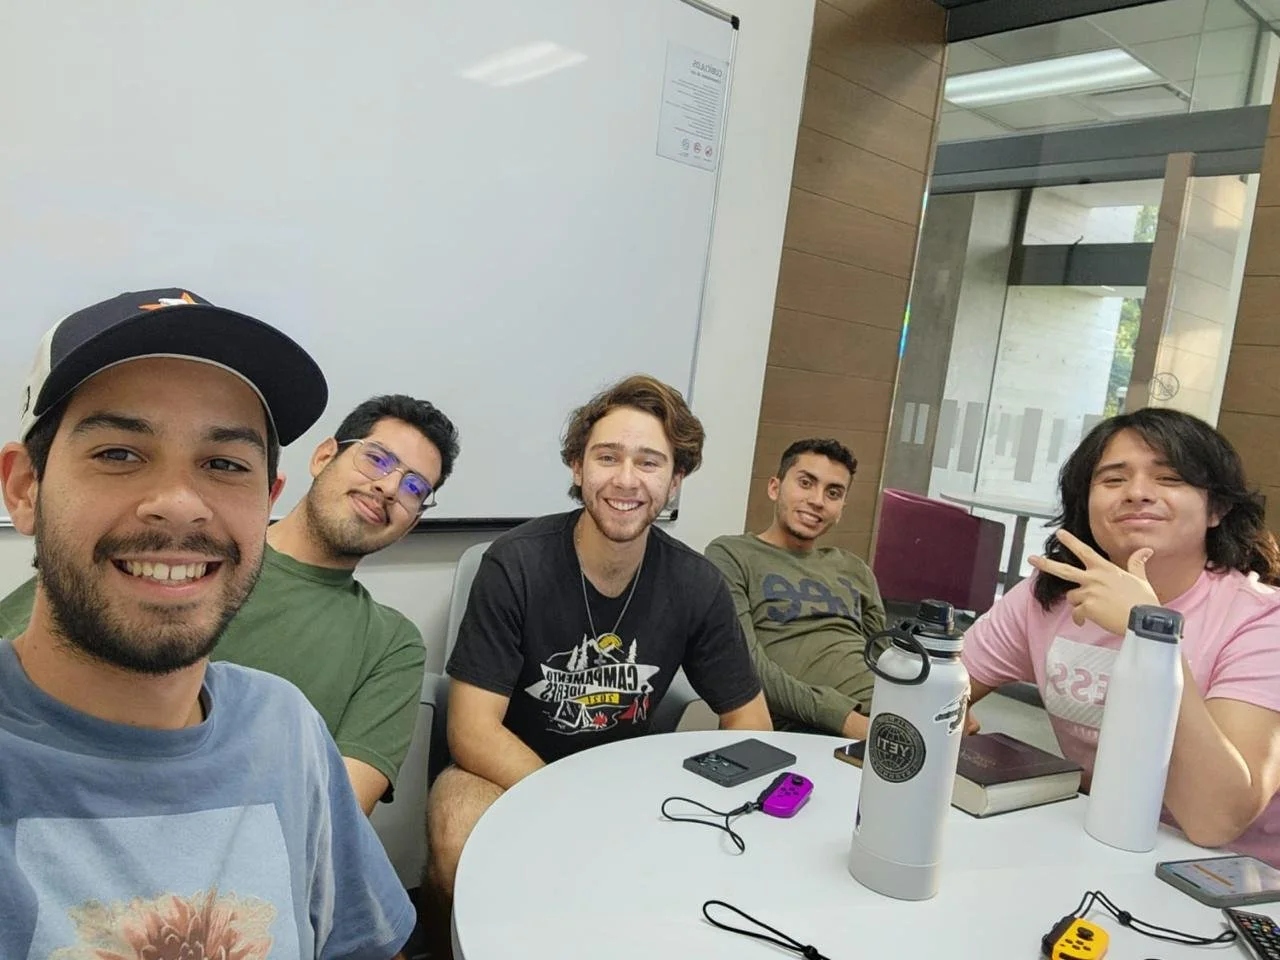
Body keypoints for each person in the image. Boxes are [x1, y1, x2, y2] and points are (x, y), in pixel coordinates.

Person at [0, 289, 414, 958]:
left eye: (225, 465)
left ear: (267, 502)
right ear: (25, 488)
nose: (179, 504)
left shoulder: (288, 730)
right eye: (119, 453)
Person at [0, 393, 459, 814]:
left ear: (414, 520)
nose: (389, 488)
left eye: (415, 488)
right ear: (324, 456)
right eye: (377, 459)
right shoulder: (168, 558)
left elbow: (334, 817)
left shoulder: (391, 643)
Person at [427, 374, 770, 900]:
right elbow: (472, 731)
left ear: (675, 480)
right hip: (502, 770)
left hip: (628, 781)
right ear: (577, 467)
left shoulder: (697, 583)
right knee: (457, 831)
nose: (626, 480)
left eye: (649, 463)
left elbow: (751, 722)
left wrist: (706, 794)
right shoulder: (514, 564)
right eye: (607, 457)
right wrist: (575, 801)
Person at [963, 407, 1280, 865]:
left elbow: (1214, 820)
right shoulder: (1050, 595)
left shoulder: (1262, 619)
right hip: (1098, 840)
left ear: (1217, 509)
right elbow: (937, 690)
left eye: (1169, 478)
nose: (1137, 493)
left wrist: (1147, 630)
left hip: (1231, 872)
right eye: (1113, 480)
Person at [706, 438, 879, 741]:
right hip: (800, 731)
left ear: (841, 508)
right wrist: (845, 720)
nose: (818, 500)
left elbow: (885, 659)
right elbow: (744, 665)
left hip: (886, 722)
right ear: (775, 488)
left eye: (833, 493)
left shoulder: (856, 570)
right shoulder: (731, 554)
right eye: (805, 483)